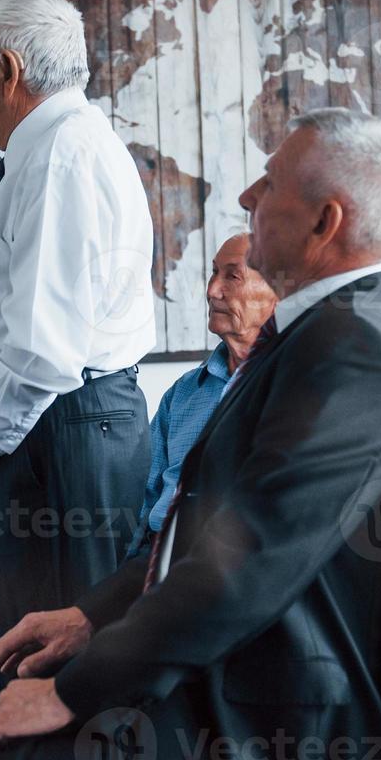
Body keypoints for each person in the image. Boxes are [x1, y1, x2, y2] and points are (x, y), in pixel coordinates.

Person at [0, 108, 381, 760]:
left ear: (324, 221)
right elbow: (205, 531)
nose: (245, 198)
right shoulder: (332, 336)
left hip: (262, 718)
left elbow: (246, 564)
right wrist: (88, 616)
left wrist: (70, 693)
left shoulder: (353, 352)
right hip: (236, 667)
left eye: (268, 184)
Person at [0, 0, 157, 638]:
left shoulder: (60, 158)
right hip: (49, 433)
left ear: (9, 71)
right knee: (43, 661)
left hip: (58, 438)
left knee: (54, 670)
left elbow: (42, 356)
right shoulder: (54, 149)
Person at [125, 232, 276, 558]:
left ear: (279, 292)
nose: (212, 291)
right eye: (213, 273)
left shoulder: (290, 387)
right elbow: (145, 500)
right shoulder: (183, 392)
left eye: (232, 276)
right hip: (158, 563)